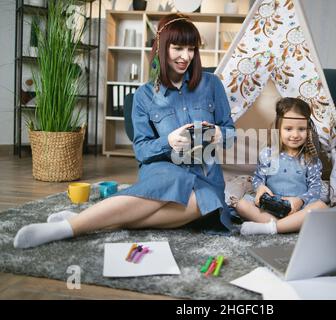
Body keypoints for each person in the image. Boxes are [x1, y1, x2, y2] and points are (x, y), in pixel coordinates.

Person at [14, 14, 236, 249]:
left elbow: (231, 133)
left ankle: (94, 220)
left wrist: (222, 134)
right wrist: (168, 141)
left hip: (205, 176)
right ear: (161, 48)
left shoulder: (212, 84)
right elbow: (142, 151)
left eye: (191, 49)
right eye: (178, 48)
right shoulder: (144, 96)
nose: (186, 56)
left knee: (209, 202)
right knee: (175, 178)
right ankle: (66, 229)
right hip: (164, 169)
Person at [235, 97, 327, 235]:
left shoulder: (310, 159)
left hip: (297, 209)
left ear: (308, 130)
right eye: (288, 129)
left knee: (321, 207)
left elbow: (315, 189)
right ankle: (283, 226)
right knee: (241, 205)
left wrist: (300, 201)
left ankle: (270, 228)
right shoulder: (268, 154)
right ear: (278, 129)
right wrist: (260, 189)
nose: (295, 135)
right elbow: (258, 178)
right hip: (270, 208)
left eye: (301, 129)